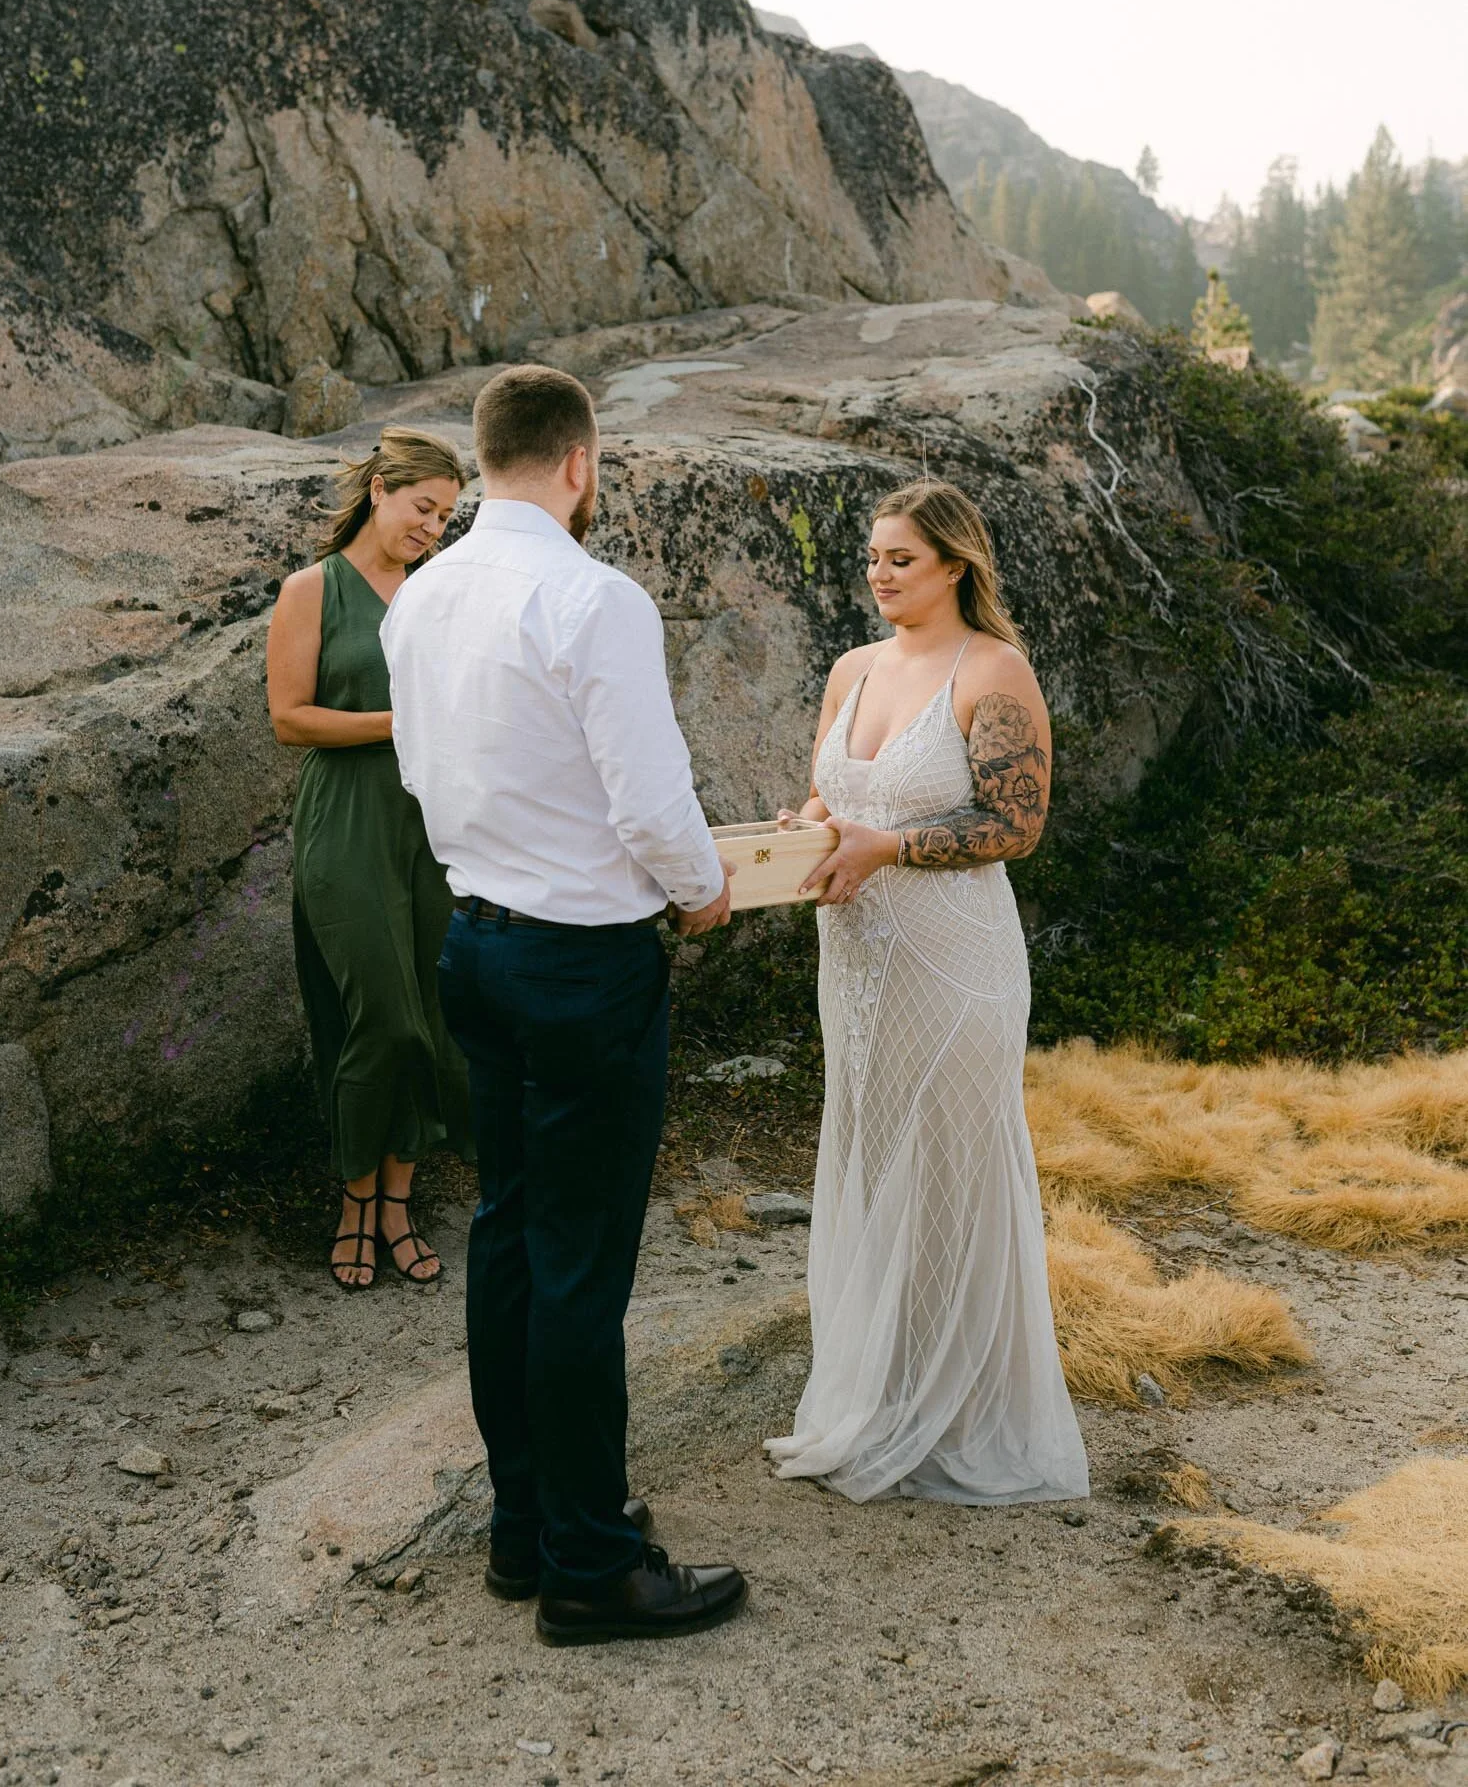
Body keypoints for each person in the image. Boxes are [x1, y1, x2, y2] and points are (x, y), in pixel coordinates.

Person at [381, 364, 747, 1646]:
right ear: (581, 463)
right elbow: (651, 804)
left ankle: (524, 1525)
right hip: (584, 966)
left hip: (472, 946)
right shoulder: (594, 599)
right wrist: (703, 886)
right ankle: (593, 1566)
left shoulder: (421, 597)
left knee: (509, 1236)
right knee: (582, 1267)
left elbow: (423, 775)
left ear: (485, 462)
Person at [764, 479, 1089, 1505]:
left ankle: (957, 1409)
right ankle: (883, 1384)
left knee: (948, 1167)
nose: (880, 574)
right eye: (872, 557)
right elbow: (833, 794)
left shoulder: (993, 672)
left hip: (954, 964)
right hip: (856, 965)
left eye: (901, 559)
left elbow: (1016, 824)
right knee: (872, 1149)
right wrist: (800, 830)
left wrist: (888, 844)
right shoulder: (853, 669)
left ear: (955, 566)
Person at [267, 426, 473, 1292]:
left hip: (432, 823)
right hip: (344, 819)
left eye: (446, 516)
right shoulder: (312, 589)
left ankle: (396, 1201)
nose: (432, 527)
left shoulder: (438, 595)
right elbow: (290, 718)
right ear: (382, 489)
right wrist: (402, 725)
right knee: (377, 1017)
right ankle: (353, 1198)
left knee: (429, 1012)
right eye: (423, 507)